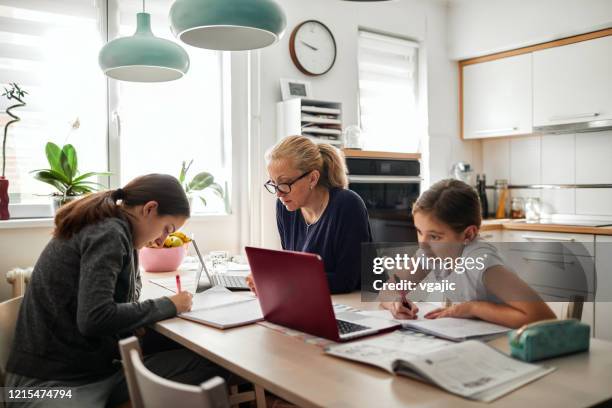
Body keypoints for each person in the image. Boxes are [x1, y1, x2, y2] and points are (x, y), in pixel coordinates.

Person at [5, 174, 228, 407]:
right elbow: (94, 318)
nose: (162, 241)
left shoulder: (121, 231)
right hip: (48, 385)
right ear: (150, 209)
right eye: (166, 229)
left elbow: (124, 296)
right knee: (205, 368)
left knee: (212, 364)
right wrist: (170, 305)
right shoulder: (108, 233)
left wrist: (136, 319)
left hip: (90, 370)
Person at [380, 179, 556, 328]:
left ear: (468, 235)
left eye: (434, 236)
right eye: (419, 231)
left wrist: (473, 308)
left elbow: (543, 317)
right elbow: (387, 290)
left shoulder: (481, 262)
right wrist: (396, 302)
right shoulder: (430, 254)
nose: (423, 244)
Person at [246, 136, 372, 294]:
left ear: (312, 178)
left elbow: (346, 280)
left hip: (354, 304)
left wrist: (283, 280)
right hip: (309, 299)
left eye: (284, 183)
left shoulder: (348, 205)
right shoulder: (285, 206)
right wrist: (269, 277)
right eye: (273, 183)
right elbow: (293, 267)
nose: (278, 193)